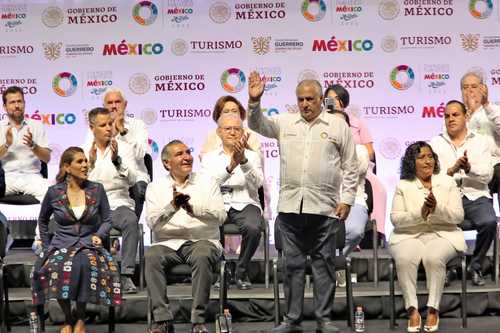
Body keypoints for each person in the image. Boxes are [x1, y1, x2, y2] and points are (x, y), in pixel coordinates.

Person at [247, 71, 358, 333]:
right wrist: (254, 102)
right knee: (293, 267)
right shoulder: (285, 122)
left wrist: (348, 199)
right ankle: (292, 320)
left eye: (310, 99)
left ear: (321, 99)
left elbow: (351, 165)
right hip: (290, 208)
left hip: (325, 207)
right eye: (300, 99)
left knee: (324, 267)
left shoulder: (337, 125)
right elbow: (256, 124)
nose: (305, 104)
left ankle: (324, 320)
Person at [31, 147, 121, 333]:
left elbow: (107, 219)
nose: (85, 165)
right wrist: (48, 246)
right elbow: (42, 220)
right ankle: (68, 318)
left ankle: (80, 317)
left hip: (88, 244)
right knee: (56, 266)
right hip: (62, 244)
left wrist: (99, 235)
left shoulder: (96, 189)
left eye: (86, 161)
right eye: (80, 162)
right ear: (67, 167)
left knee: (83, 265)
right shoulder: (54, 192)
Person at [145, 140, 226, 333]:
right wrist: (172, 207)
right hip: (167, 243)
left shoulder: (208, 182)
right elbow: (152, 223)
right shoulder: (155, 187)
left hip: (202, 241)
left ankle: (198, 321)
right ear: (166, 163)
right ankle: (162, 320)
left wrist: (193, 209)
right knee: (151, 255)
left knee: (202, 254)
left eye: (188, 152)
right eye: (179, 154)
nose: (186, 157)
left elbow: (221, 217)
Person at [390, 141, 466, 333]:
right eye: (421, 157)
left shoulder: (448, 182)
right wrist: (421, 212)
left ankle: (433, 308)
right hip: (409, 235)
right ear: (411, 162)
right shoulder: (403, 185)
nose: (427, 161)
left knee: (433, 256)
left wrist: (437, 209)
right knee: (405, 258)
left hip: (444, 234)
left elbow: (458, 216)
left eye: (430, 156)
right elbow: (396, 219)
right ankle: (412, 310)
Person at [430, 100, 496, 286]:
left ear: (466, 116)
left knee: (489, 222)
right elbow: (431, 176)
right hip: (448, 198)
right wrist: (450, 171)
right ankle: (450, 266)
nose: (450, 119)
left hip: (476, 196)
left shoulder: (480, 141)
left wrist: (468, 169)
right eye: (447, 116)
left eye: (455, 115)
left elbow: (488, 175)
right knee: (438, 221)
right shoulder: (436, 143)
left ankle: (474, 266)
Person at [201, 113, 264, 290]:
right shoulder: (209, 158)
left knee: (253, 227)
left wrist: (243, 161)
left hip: (245, 201)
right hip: (218, 202)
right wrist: (230, 167)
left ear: (242, 133)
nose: (232, 133)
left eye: (236, 129)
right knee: (209, 225)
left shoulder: (252, 156)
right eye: (228, 129)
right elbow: (208, 184)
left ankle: (241, 270)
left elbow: (257, 183)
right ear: (219, 132)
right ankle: (222, 271)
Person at [84, 107, 139, 293]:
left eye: (110, 124)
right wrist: (90, 164)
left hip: (118, 202)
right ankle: (98, 274)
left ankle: (126, 275)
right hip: (92, 205)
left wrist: (117, 161)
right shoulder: (84, 150)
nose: (109, 128)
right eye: (103, 125)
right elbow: (76, 184)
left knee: (131, 221)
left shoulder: (125, 148)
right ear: (92, 128)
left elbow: (133, 180)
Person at [324, 84, 388, 237]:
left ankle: (376, 230)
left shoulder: (357, 123)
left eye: (336, 99)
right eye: (329, 99)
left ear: (343, 101)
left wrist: (350, 150)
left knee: (378, 188)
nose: (332, 102)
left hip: (359, 166)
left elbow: (370, 152)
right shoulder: (321, 120)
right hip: (329, 166)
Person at [84, 88, 150, 219]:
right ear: (104, 106)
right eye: (110, 103)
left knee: (139, 190)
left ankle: (130, 223)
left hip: (134, 175)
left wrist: (123, 132)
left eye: (118, 102)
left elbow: (140, 154)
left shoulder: (138, 125)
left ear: (125, 104)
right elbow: (88, 153)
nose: (114, 106)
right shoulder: (95, 128)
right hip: (104, 176)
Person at [327, 111, 370, 288]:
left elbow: (352, 171)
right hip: (324, 201)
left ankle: (331, 263)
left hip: (354, 200)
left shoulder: (359, 150)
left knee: (355, 230)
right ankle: (335, 268)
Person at [0, 86, 51, 201]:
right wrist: (7, 144)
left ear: (24, 103)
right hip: (7, 178)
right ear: (5, 106)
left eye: (19, 101)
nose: (16, 105)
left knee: (55, 195)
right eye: (12, 102)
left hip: (32, 178)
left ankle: (43, 220)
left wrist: (33, 145)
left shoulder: (36, 125)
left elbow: (47, 158)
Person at [460, 71, 500, 208]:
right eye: (465, 87)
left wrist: (486, 104)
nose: (469, 90)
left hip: (494, 166)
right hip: (467, 168)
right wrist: (468, 114)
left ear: (482, 89)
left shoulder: (493, 110)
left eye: (474, 86)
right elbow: (450, 141)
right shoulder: (455, 115)